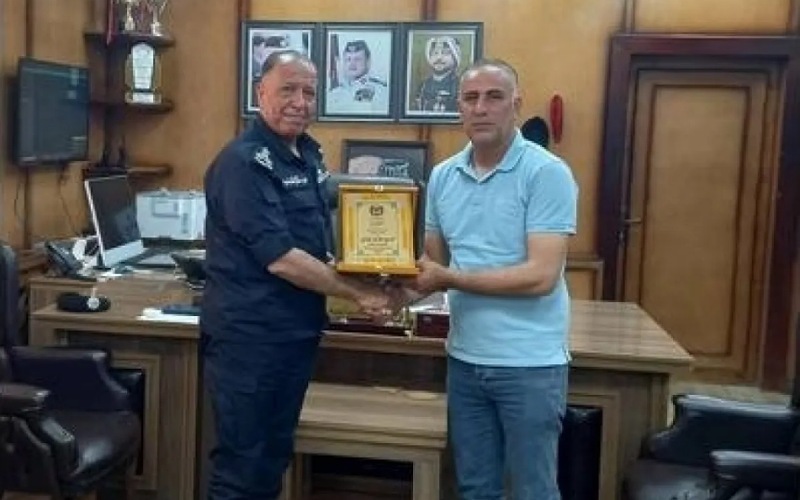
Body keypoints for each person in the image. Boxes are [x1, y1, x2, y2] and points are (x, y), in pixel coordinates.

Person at [201, 50, 391, 500]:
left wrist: (379, 263)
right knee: (242, 467)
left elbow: (319, 234)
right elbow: (282, 258)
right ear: (260, 92)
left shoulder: (306, 153)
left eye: (309, 92)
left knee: (272, 457)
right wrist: (358, 292)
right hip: (250, 340)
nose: (300, 102)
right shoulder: (244, 162)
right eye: (288, 89)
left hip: (294, 333)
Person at [405, 58, 579, 499]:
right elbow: (433, 264)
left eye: (494, 97)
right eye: (470, 98)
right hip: (464, 359)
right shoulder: (443, 176)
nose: (480, 108)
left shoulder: (547, 173)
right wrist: (375, 281)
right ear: (459, 108)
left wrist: (448, 277)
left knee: (532, 491)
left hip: (529, 364)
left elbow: (541, 276)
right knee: (475, 489)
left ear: (515, 105)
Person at [326, 39, 389, 115]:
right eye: (348, 59)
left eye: (357, 59)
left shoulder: (380, 90)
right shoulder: (335, 92)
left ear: (368, 62)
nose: (352, 64)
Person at [413, 35, 461, 113]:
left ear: (455, 58)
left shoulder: (459, 85)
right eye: (435, 53)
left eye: (445, 53)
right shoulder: (423, 86)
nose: (439, 58)